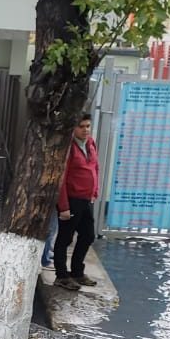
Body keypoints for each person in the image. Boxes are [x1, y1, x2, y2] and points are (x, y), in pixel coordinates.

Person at [53, 114, 100, 291]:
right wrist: (63, 206)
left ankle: (77, 272)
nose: (85, 129)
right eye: (81, 126)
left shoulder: (90, 143)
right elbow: (61, 178)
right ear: (73, 128)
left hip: (87, 199)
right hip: (71, 199)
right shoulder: (68, 147)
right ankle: (62, 275)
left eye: (88, 126)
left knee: (88, 235)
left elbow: (95, 168)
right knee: (65, 238)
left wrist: (94, 191)